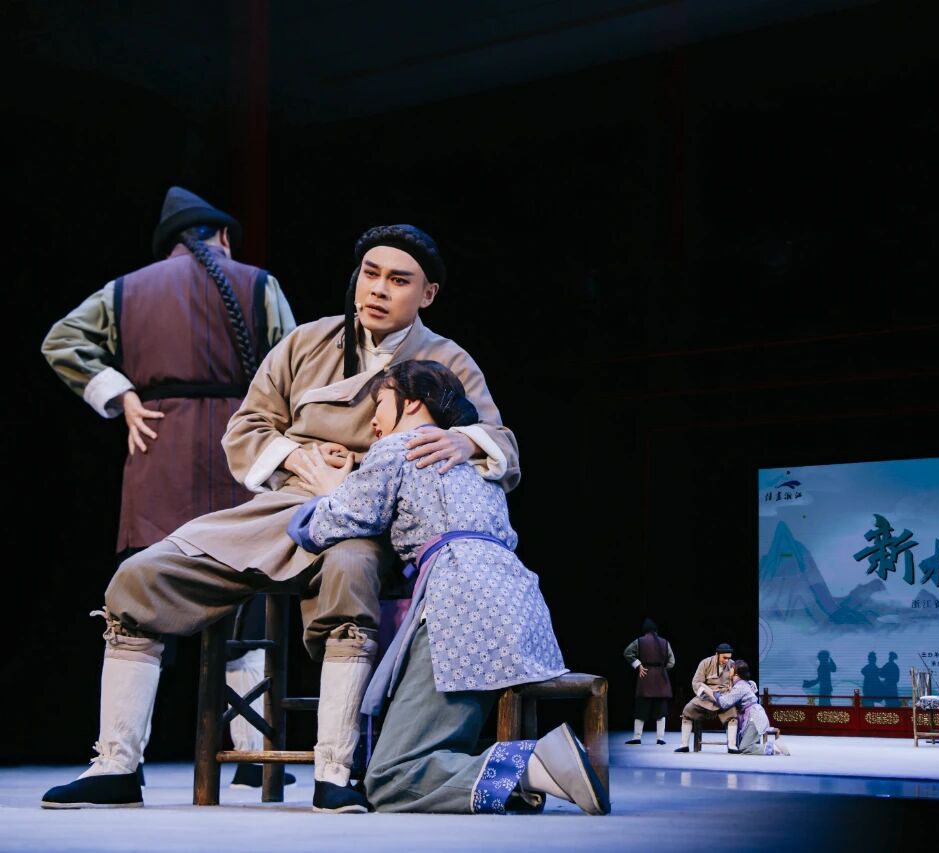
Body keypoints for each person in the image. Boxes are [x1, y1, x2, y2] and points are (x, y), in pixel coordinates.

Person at [41, 224, 519, 814]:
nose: (378, 289)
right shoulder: (305, 343)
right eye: (370, 274)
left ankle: (334, 771)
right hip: (284, 506)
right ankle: (116, 764)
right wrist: (300, 458)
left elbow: (500, 441)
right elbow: (246, 427)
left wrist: (464, 442)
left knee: (350, 571)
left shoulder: (448, 359)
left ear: (428, 294)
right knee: (141, 575)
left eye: (398, 280)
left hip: (370, 522)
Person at [41, 186, 297, 789]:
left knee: (139, 605)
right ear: (222, 236)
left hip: (159, 450)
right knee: (246, 605)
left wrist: (121, 394)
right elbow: (295, 367)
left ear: (170, 244)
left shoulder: (126, 289)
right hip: (241, 457)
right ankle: (254, 756)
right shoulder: (258, 284)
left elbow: (60, 341)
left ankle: (118, 761)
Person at [287, 359, 606, 815]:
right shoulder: (477, 462)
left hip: (461, 605)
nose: (373, 421)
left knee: (391, 776)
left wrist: (325, 492)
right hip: (519, 602)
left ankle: (533, 765)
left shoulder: (396, 449)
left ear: (412, 402)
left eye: (380, 404)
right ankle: (524, 778)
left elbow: (336, 522)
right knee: (423, 751)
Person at [698, 660, 788, 756]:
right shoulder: (743, 684)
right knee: (742, 746)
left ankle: (773, 747)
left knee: (745, 748)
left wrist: (710, 692)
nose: (729, 670)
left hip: (754, 717)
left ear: (736, 672)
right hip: (755, 714)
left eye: (731, 668)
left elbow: (724, 702)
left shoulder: (741, 686)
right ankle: (771, 747)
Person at [674, 643, 738, 753]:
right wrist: (708, 692)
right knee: (688, 710)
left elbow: (738, 680)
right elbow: (696, 682)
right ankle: (684, 744)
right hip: (706, 697)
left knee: (732, 714)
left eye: (728, 658)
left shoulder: (732, 664)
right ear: (717, 654)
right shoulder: (705, 663)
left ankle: (732, 745)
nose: (726, 660)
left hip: (724, 697)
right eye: (724, 658)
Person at [623, 619, 675, 745]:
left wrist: (638, 665)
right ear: (656, 630)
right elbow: (672, 662)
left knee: (641, 708)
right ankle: (660, 738)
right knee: (661, 710)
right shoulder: (665, 642)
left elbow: (627, 652)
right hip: (661, 679)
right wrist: (662, 670)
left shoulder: (639, 641)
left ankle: (637, 737)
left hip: (645, 676)